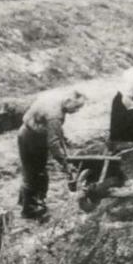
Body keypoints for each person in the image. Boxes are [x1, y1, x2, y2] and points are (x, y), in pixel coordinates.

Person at [17, 88, 86, 220]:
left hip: (27, 132)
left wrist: (64, 140)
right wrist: (65, 163)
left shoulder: (55, 98)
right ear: (68, 101)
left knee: (31, 171)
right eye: (76, 107)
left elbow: (54, 131)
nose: (76, 111)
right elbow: (53, 143)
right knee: (37, 173)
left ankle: (24, 202)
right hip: (33, 139)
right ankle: (31, 211)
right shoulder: (55, 114)